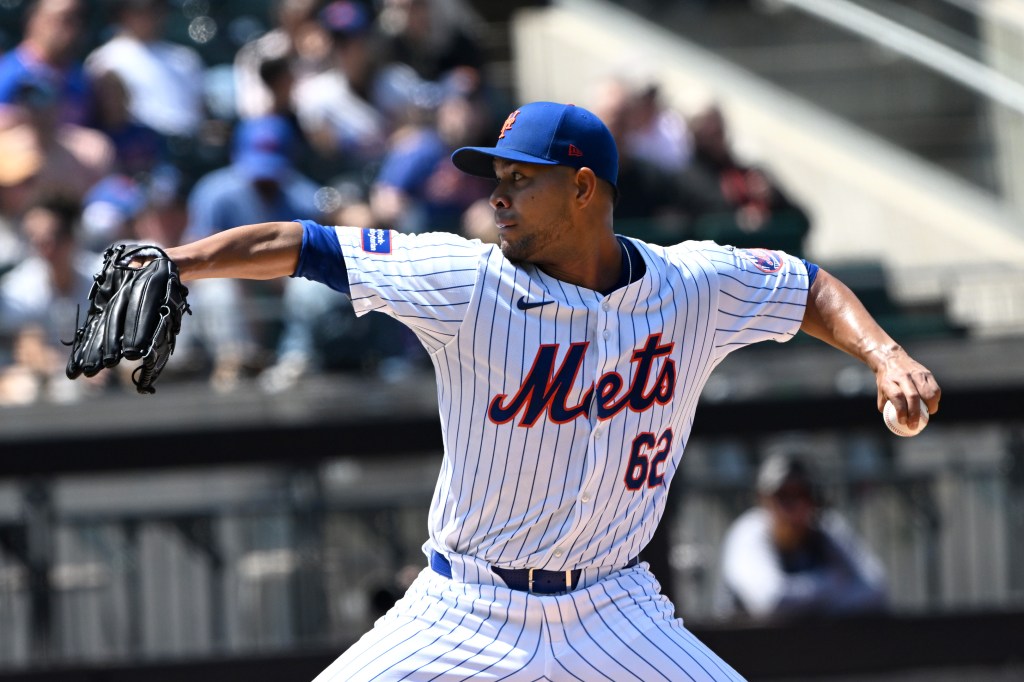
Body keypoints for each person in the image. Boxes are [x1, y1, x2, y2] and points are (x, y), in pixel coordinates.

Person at [126, 101, 939, 680]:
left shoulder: (694, 283)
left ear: (583, 189)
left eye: (522, 178)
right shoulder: (464, 279)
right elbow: (300, 243)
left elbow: (806, 287)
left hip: (614, 608)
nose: (499, 195)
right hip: (463, 610)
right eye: (496, 177)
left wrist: (885, 353)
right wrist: (180, 261)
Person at [716, 453, 889, 621]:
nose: (793, 505)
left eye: (801, 494)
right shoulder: (749, 531)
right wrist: (831, 584)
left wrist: (811, 604)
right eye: (783, 496)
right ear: (764, 499)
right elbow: (772, 602)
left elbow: (875, 589)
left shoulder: (825, 528)